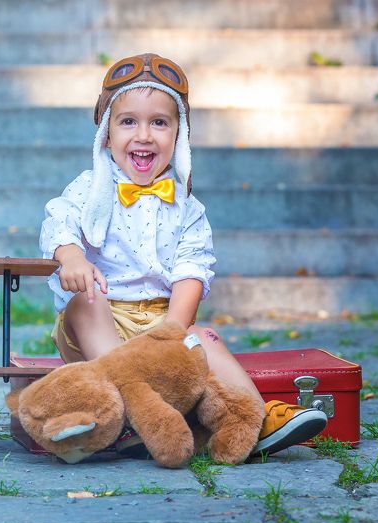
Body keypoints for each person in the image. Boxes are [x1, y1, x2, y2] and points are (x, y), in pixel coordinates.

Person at [39, 53, 327, 458]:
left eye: (159, 122)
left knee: (204, 339)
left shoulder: (187, 207)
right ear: (106, 134)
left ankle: (255, 419)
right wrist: (72, 258)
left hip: (162, 320)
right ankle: (133, 413)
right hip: (103, 324)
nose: (144, 135)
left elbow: (193, 269)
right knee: (84, 304)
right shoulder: (90, 189)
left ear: (179, 135)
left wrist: (174, 333)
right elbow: (59, 222)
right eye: (128, 122)